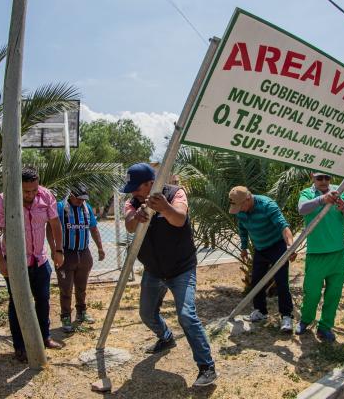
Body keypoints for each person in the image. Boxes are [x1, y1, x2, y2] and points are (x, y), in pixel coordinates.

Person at [122, 163, 217, 387]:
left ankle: (207, 367)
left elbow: (180, 218)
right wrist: (136, 217)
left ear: (150, 183)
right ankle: (166, 337)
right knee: (146, 314)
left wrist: (164, 208)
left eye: (137, 187)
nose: (133, 192)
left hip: (181, 269)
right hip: (154, 270)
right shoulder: (133, 202)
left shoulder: (175, 193)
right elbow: (128, 226)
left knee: (186, 315)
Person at [0, 167, 63, 362]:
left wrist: (58, 250)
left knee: (44, 300)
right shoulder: (4, 199)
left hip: (40, 260)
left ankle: (44, 337)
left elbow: (55, 224)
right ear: (17, 187)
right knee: (17, 303)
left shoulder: (46, 196)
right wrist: (1, 261)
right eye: (25, 191)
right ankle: (20, 347)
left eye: (33, 190)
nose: (30, 195)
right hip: (14, 263)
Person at [295, 173, 344, 342]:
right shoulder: (307, 193)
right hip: (316, 254)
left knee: (333, 294)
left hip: (338, 253)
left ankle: (325, 326)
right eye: (319, 178)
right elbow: (302, 209)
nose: (323, 182)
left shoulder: (339, 191)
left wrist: (343, 206)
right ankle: (306, 320)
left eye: (327, 178)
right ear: (313, 177)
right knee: (312, 293)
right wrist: (322, 200)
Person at [229, 186, 296, 332]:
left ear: (248, 199)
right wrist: (244, 247)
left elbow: (283, 226)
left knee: (281, 282)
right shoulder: (240, 211)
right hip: (259, 248)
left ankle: (286, 316)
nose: (239, 210)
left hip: (277, 246)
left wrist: (291, 246)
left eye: (241, 206)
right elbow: (242, 228)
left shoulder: (267, 205)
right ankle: (261, 311)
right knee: (257, 281)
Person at [49, 183, 105, 333]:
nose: (81, 201)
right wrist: (55, 250)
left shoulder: (86, 208)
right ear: (71, 195)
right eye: (79, 198)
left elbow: (93, 228)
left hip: (84, 253)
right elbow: (50, 228)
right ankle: (66, 316)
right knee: (66, 288)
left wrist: (100, 248)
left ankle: (81, 313)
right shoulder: (60, 207)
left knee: (82, 287)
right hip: (66, 254)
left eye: (84, 198)